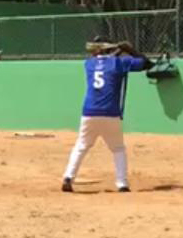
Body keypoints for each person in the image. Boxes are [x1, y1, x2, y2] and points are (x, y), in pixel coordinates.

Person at [61, 38, 153, 193]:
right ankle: (122, 184)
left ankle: (68, 177)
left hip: (89, 111)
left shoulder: (89, 64)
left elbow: (103, 61)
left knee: (81, 146)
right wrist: (129, 50)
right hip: (111, 113)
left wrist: (115, 50)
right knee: (118, 149)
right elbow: (147, 63)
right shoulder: (120, 63)